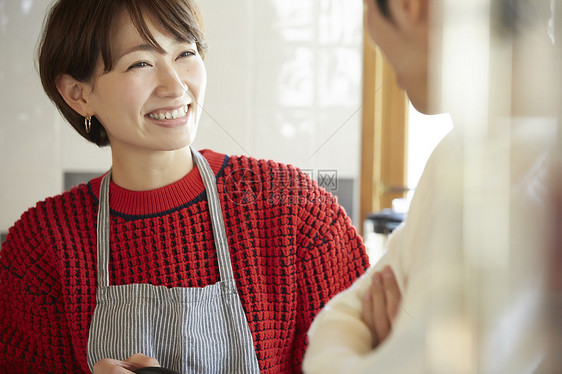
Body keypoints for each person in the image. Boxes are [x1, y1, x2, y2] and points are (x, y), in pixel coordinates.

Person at [0, 0, 369, 372]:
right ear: (78, 94)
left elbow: (372, 361)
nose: (175, 86)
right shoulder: (41, 246)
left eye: (185, 53)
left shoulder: (294, 209)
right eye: (140, 63)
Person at [303, 0, 559, 372]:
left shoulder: (513, 187)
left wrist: (379, 347)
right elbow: (344, 313)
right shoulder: (457, 154)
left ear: (410, 7)